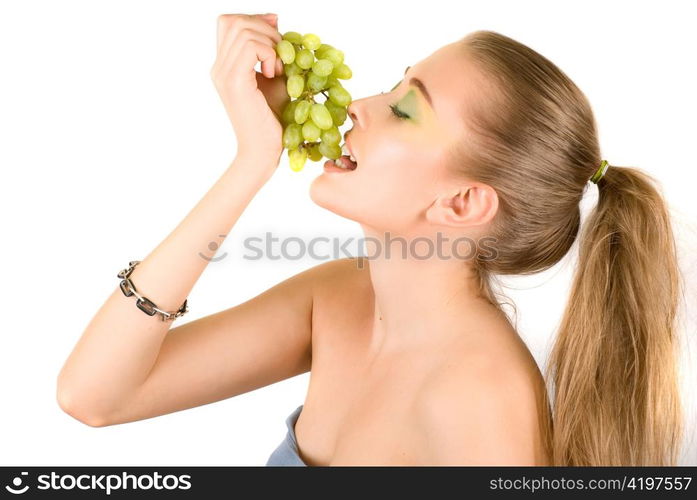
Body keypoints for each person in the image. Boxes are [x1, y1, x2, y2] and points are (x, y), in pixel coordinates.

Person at [56, 12, 684, 466]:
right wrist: (252, 161)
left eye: (406, 109)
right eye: (392, 84)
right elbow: (97, 396)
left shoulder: (478, 398)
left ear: (462, 202)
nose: (358, 104)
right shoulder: (339, 299)